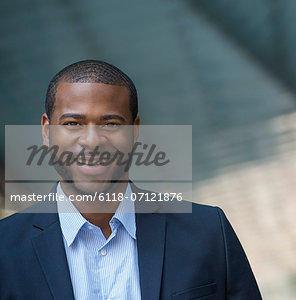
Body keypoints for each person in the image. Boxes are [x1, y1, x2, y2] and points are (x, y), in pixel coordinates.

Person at [0, 60, 262, 300]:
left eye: (111, 124)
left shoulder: (207, 232)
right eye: (72, 124)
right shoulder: (5, 248)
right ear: (46, 131)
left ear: (135, 132)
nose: (92, 141)